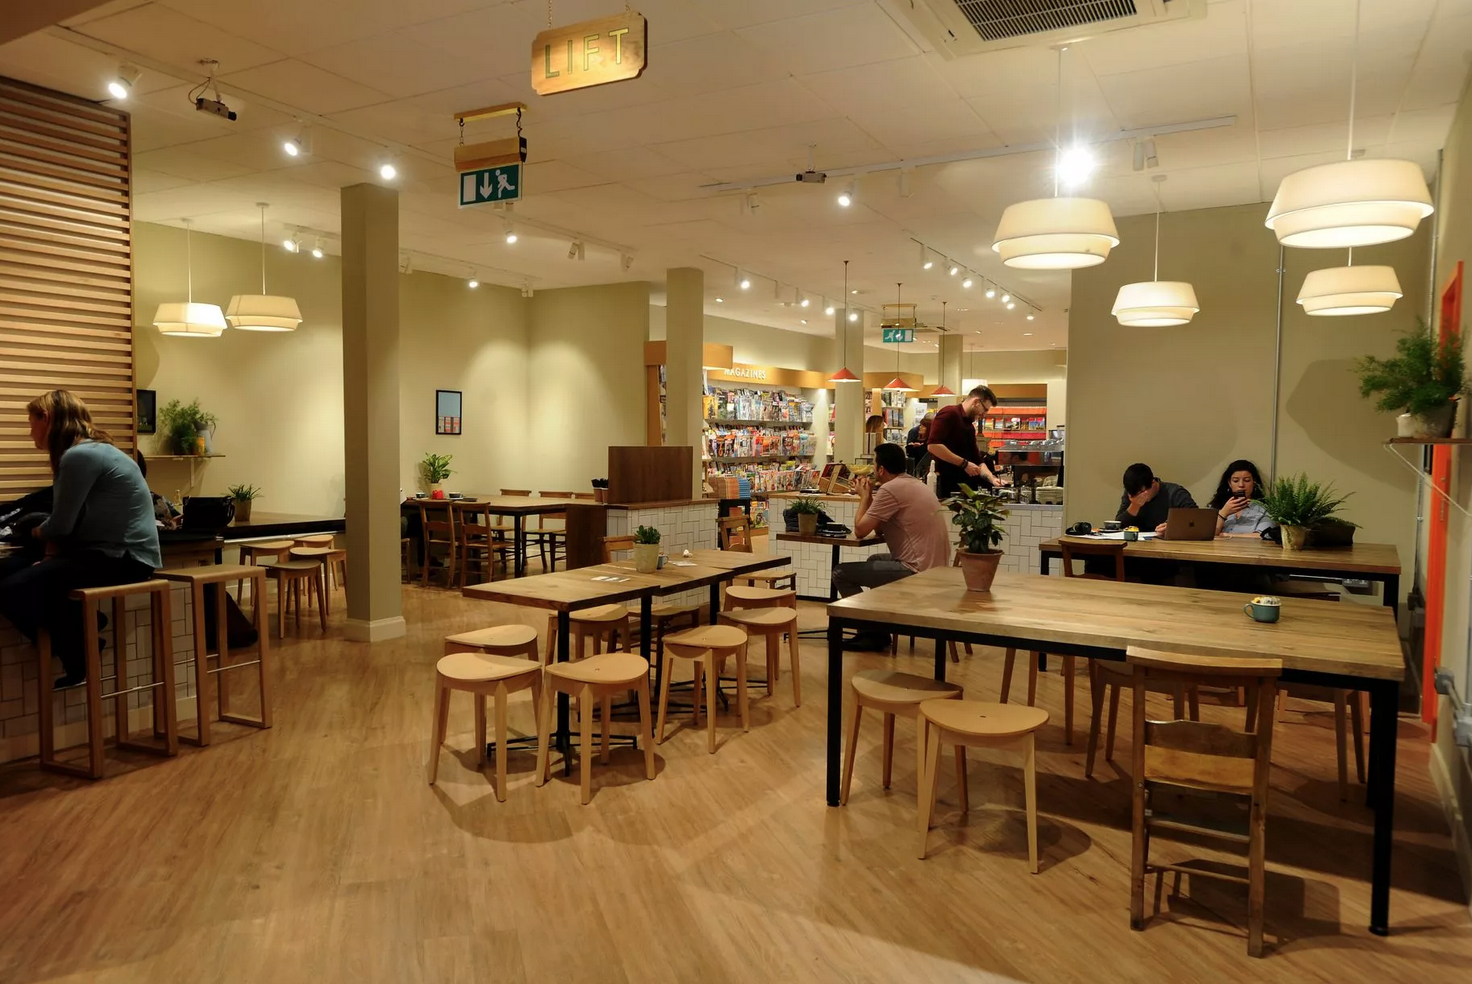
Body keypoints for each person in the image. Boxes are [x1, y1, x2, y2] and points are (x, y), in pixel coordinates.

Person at [0, 391, 161, 686]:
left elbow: (60, 525)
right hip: (98, 552)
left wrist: (34, 531)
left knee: (13, 588)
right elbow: (66, 523)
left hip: (127, 558)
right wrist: (48, 554)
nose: (29, 432)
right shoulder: (87, 451)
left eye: (31, 423)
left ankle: (76, 649)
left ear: (46, 419)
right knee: (7, 572)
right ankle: (83, 629)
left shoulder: (79, 456)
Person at [833, 443, 951, 651]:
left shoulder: (890, 489)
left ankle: (870, 632)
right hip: (936, 569)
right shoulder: (913, 483)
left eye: (873, 464)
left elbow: (860, 531)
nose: (872, 468)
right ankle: (877, 630)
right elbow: (879, 529)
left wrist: (864, 497)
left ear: (881, 469)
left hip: (916, 571)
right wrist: (871, 497)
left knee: (840, 572)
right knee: (874, 560)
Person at [926, 385, 1007, 499]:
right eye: (985, 409)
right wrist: (964, 464)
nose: (984, 414)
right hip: (946, 487)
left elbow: (977, 460)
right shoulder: (949, 413)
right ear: (976, 402)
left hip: (964, 489)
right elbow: (933, 446)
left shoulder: (969, 426)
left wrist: (992, 479)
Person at [1116, 462, 1198, 535]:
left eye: (1140, 493)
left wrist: (1173, 527)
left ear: (1153, 483)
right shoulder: (1131, 494)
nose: (1136, 497)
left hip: (1170, 544)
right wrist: (1134, 506)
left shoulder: (1175, 493)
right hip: (1139, 544)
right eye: (1132, 495)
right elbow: (1119, 525)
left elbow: (1196, 519)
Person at [1209, 459, 1273, 536]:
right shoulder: (1215, 506)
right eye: (1235, 481)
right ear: (1229, 483)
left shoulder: (1265, 509)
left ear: (1254, 482)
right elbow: (1207, 534)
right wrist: (1223, 513)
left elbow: (1262, 536)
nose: (1241, 485)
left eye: (1247, 480)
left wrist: (1225, 535)